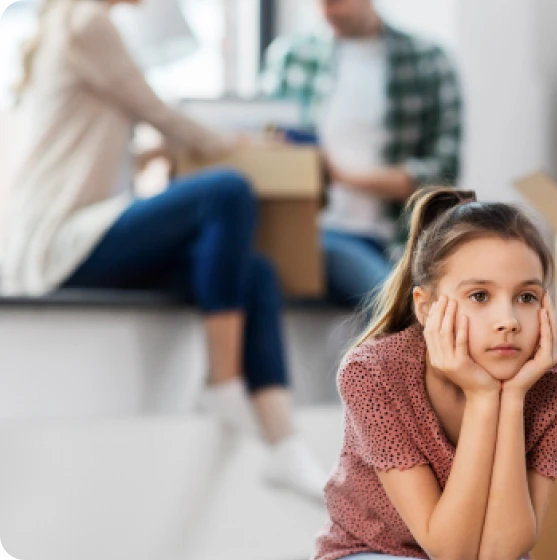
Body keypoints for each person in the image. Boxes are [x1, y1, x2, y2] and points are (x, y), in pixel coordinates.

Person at [0, 0, 327, 500]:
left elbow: (89, 135)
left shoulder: (72, 25)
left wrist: (150, 153)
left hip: (80, 236)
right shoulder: (87, 21)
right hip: (60, 242)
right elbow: (157, 110)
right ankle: (222, 384)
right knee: (228, 190)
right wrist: (237, 143)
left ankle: (284, 445)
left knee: (256, 270)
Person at [313, 188, 557, 560]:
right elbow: (451, 552)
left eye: (526, 297)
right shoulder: (374, 374)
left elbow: (503, 553)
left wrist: (510, 400)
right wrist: (480, 397)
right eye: (480, 296)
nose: (507, 322)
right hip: (373, 552)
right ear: (426, 309)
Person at [262, 0, 463, 308]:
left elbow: (443, 173)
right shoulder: (292, 58)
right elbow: (264, 147)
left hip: (395, 238)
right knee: (391, 303)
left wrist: (339, 175)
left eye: (336, 2)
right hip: (316, 234)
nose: (327, 11)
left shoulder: (428, 62)